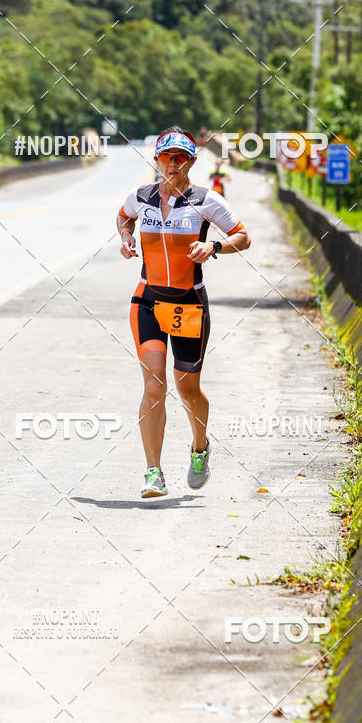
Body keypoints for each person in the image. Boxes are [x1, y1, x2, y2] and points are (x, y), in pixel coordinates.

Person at [116, 126, 251, 498]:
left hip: (189, 303)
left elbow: (244, 236)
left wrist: (215, 247)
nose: (172, 164)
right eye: (165, 157)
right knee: (154, 383)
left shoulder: (207, 200)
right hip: (147, 301)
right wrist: (126, 237)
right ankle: (153, 472)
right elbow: (123, 217)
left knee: (187, 389)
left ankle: (200, 447)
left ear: (191, 161)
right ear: (156, 160)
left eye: (180, 158)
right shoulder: (140, 196)